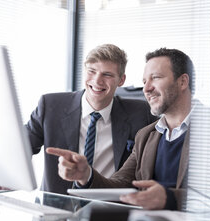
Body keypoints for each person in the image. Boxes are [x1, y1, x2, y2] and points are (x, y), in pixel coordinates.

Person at [47, 48, 195, 210]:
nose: (146, 89)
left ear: (182, 82)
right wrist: (86, 175)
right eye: (145, 81)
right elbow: (119, 185)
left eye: (156, 78)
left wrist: (170, 198)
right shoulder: (146, 136)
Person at [25, 44, 157, 195]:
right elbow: (21, 147)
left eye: (107, 75)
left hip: (112, 209)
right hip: (56, 208)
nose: (97, 80)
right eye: (92, 71)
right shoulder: (50, 106)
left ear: (121, 80)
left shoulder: (141, 113)